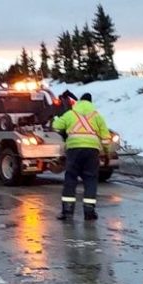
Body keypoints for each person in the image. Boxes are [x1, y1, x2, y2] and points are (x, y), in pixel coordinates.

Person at [51, 92, 110, 221]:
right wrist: (106, 153)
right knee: (90, 180)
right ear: (90, 103)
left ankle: (67, 212)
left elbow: (55, 126)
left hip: (74, 150)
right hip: (92, 151)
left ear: (79, 102)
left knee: (71, 179)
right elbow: (106, 138)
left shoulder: (70, 114)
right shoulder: (97, 116)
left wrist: (57, 119)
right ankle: (89, 212)